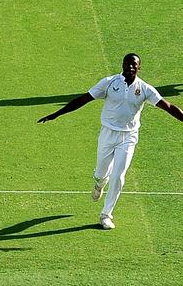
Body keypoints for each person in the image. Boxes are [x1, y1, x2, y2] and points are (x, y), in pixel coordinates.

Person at [38, 53, 183, 230]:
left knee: (119, 176)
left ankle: (106, 215)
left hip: (129, 137)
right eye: (127, 63)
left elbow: (167, 106)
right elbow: (84, 99)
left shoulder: (145, 89)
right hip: (107, 134)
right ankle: (100, 182)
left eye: (133, 64)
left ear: (139, 67)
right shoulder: (109, 82)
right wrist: (56, 114)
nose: (129, 67)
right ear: (122, 65)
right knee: (101, 173)